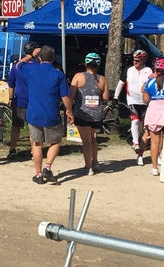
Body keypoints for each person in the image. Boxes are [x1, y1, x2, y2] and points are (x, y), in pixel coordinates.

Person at [18, 45, 71, 184]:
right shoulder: (58, 74)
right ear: (53, 59)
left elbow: (19, 65)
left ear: (40, 58)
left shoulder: (31, 70)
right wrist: (69, 111)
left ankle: (38, 174)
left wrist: (31, 55)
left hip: (34, 114)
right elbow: (65, 96)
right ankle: (48, 166)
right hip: (51, 114)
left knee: (36, 144)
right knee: (56, 141)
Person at [69, 53, 108, 176]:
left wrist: (68, 109)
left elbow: (71, 95)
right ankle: (95, 161)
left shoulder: (78, 77)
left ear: (86, 64)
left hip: (83, 113)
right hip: (97, 114)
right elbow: (106, 97)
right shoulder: (102, 79)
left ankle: (88, 166)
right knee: (92, 138)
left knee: (86, 141)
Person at [114, 50, 153, 166]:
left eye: (138, 60)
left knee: (144, 125)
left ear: (143, 60)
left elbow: (153, 84)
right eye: (134, 60)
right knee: (135, 120)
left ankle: (141, 153)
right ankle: (135, 143)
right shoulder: (129, 70)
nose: (135, 62)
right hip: (132, 100)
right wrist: (116, 97)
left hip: (145, 101)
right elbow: (121, 83)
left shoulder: (148, 70)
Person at [7, 41, 41, 159]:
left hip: (19, 100)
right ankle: (34, 152)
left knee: (16, 127)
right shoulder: (38, 66)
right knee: (33, 127)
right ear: (33, 50)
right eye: (37, 48)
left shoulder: (17, 66)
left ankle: (12, 149)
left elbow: (11, 84)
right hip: (33, 101)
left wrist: (10, 98)